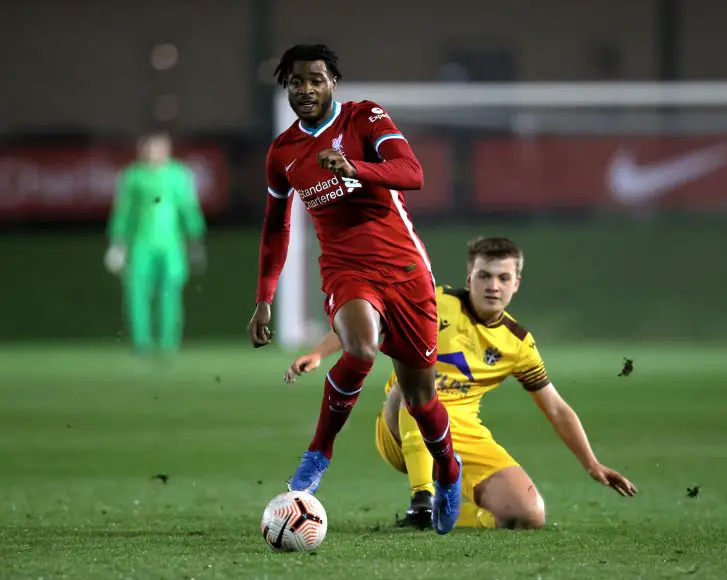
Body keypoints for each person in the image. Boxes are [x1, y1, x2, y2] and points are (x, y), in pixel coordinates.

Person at [248, 44, 462, 534]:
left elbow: (413, 173)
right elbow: (275, 229)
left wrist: (355, 168)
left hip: (405, 270)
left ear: (333, 84)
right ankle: (319, 451)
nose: (306, 89)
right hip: (346, 270)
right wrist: (265, 298)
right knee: (361, 348)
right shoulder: (283, 152)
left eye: (316, 79)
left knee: (421, 398)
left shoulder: (365, 118)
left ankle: (448, 470)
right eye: (296, 82)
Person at [285, 237, 637, 530]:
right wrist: (318, 353)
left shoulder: (518, 344)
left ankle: (447, 513)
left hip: (463, 434)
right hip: (400, 427)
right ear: (469, 277)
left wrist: (593, 465)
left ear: (517, 283)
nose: (492, 286)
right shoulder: (434, 302)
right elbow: (368, 326)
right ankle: (421, 499)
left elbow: (557, 408)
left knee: (529, 515)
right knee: (416, 389)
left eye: (502, 277)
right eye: (484, 275)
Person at [105, 131, 206, 355]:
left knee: (170, 292)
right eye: (150, 148)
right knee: (138, 292)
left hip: (171, 244)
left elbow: (188, 208)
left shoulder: (178, 175)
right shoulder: (133, 176)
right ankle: (142, 343)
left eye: (159, 148)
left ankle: (168, 342)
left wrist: (195, 239)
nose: (154, 153)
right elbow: (124, 212)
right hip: (141, 242)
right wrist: (117, 243)